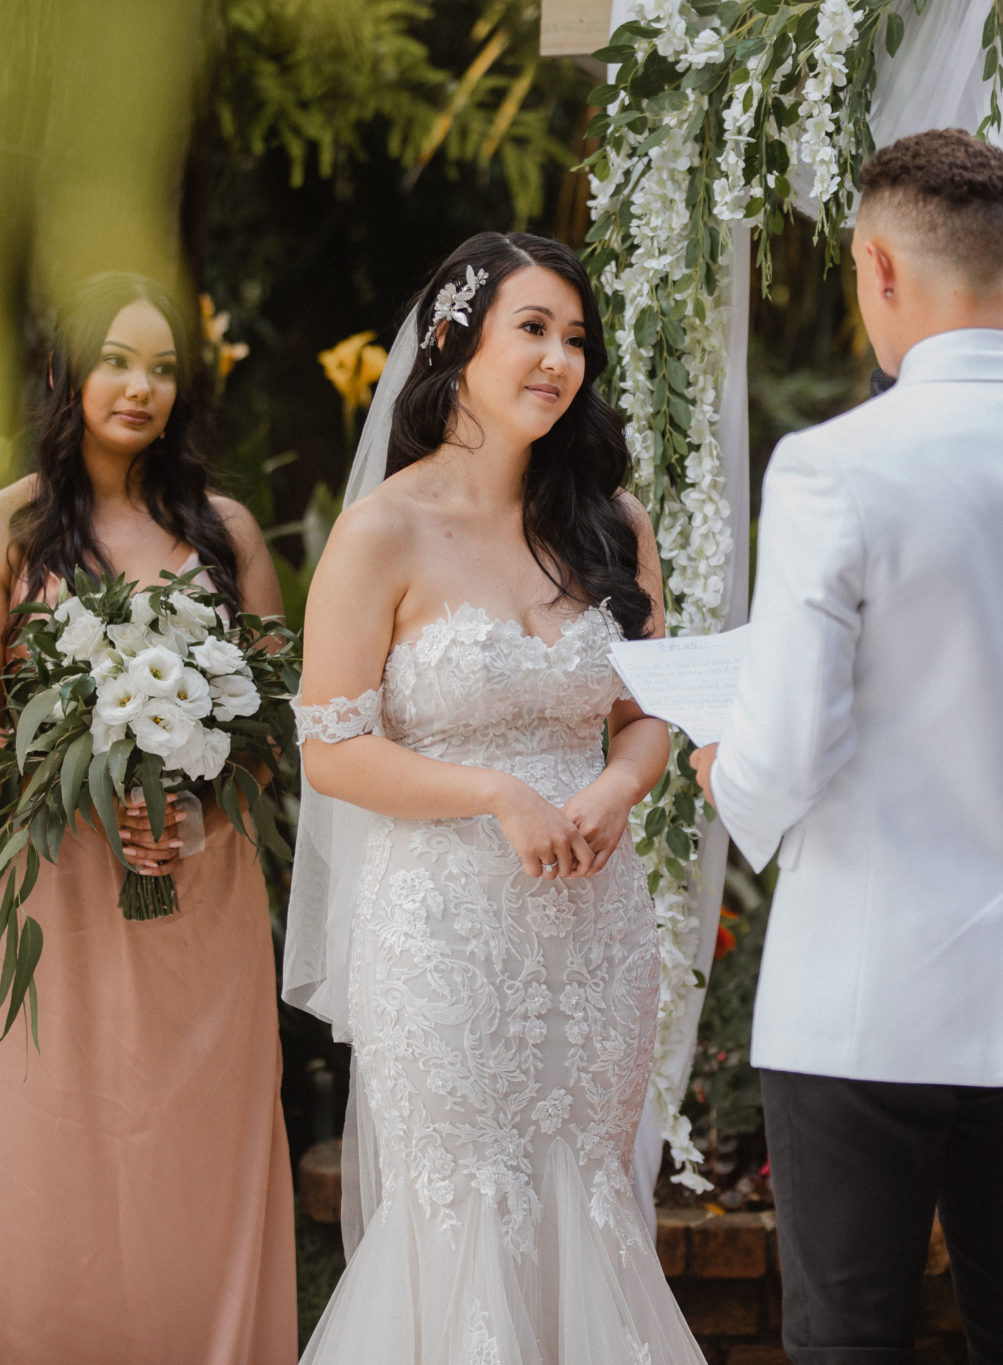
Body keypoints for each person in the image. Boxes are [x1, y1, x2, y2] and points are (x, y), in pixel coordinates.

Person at [691, 129, 1003, 1364]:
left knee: (849, 1335)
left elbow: (783, 749)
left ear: (875, 266)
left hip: (865, 989)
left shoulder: (830, 468)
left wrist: (718, 766)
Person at [285, 231, 702, 1363]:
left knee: (592, 1193)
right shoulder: (381, 533)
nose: (559, 360)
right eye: (532, 330)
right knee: (466, 1207)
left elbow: (647, 710)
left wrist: (619, 783)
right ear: (454, 343)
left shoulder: (611, 524)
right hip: (442, 931)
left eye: (575, 340)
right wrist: (492, 793)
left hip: (597, 927)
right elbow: (331, 750)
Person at [0, 273, 295, 1364]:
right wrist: (85, 799)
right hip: (56, 889)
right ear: (62, 371)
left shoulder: (224, 534)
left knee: (193, 1159)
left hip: (201, 886)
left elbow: (273, 717)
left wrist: (194, 801)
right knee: (53, 1149)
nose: (141, 387)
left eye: (164, 367)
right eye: (116, 360)